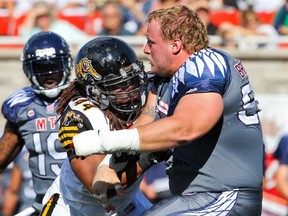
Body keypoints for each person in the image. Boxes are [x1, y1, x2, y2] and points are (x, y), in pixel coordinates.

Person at [72, 5, 264, 215]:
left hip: (224, 194)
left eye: (151, 42)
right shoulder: (166, 78)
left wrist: (102, 141)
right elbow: (146, 123)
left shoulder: (205, 64)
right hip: (196, 198)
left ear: (175, 45)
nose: (145, 49)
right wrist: (107, 165)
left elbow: (186, 128)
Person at [40, 36, 171, 215]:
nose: (131, 90)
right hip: (76, 209)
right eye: (119, 86)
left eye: (132, 80)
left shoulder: (143, 93)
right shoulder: (79, 116)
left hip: (128, 204)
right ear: (93, 90)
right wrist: (152, 154)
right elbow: (101, 187)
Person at [0, 31, 72, 215]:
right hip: (45, 206)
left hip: (87, 205)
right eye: (41, 68)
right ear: (29, 69)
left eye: (54, 66)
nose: (49, 74)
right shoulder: (21, 106)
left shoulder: (84, 98)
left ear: (66, 64)